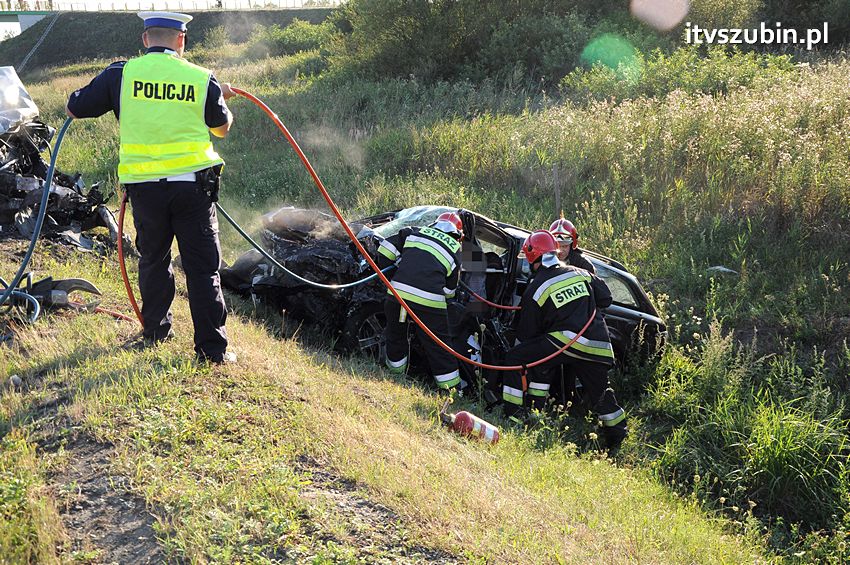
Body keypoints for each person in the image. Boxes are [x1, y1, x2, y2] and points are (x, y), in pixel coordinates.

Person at [66, 12, 236, 364]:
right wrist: (223, 99)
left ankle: (156, 330)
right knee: (203, 270)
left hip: (145, 192)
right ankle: (212, 351)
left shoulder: (121, 74)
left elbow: (75, 107)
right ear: (181, 40)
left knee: (154, 260)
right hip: (194, 190)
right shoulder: (201, 78)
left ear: (145, 39)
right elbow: (220, 129)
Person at [502, 230, 627, 450]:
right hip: (598, 346)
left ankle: (514, 417)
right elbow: (605, 298)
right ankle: (617, 438)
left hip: (563, 342)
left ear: (533, 258)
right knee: (601, 392)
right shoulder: (582, 273)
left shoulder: (536, 287)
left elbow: (528, 333)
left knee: (515, 358)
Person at [376, 211, 464, 391]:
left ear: (435, 225)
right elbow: (449, 291)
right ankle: (452, 392)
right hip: (429, 304)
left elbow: (384, 250)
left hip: (398, 295)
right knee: (439, 347)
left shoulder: (413, 232)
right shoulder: (455, 249)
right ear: (457, 234)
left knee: (396, 336)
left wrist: (394, 276)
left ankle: (394, 378)